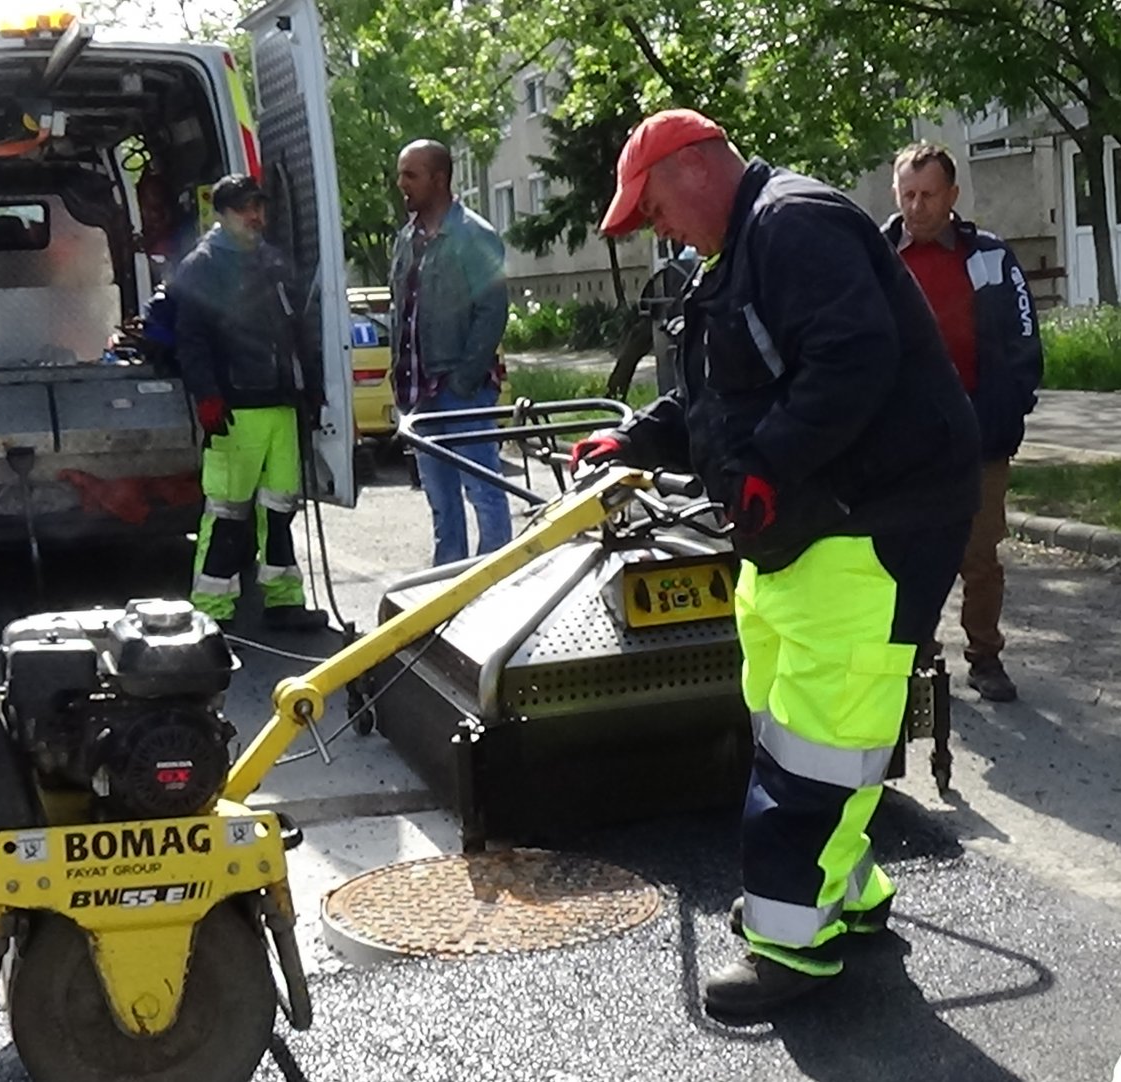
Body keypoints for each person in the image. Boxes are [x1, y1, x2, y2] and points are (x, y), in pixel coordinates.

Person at [571, 109, 979, 1014]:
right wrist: (640, 435)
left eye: (654, 210)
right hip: (807, 522)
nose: (656, 232)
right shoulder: (744, 251)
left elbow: (851, 359)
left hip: (871, 520)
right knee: (788, 719)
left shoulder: (794, 225)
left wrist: (768, 467)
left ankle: (791, 947)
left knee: (818, 743)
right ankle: (846, 888)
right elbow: (721, 395)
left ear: (693, 170)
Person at [883, 143, 1043, 703]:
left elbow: (1025, 341)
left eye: (929, 195)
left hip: (980, 436)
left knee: (979, 554)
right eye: (908, 194)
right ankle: (917, 657)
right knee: (905, 553)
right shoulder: (876, 258)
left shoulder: (991, 257)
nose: (918, 206)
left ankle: (986, 657)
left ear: (952, 197)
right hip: (902, 446)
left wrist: (1008, 409)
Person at [172, 173, 328, 631]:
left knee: (280, 510)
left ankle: (283, 602)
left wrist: (311, 388)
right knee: (226, 515)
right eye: (244, 208)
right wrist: (207, 397)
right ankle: (211, 612)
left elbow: (299, 332)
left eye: (258, 206)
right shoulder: (202, 266)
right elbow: (192, 341)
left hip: (281, 404)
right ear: (221, 214)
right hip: (235, 410)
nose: (255, 215)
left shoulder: (273, 263)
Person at [389, 138, 513, 566]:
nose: (400, 183)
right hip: (420, 393)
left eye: (411, 174)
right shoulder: (406, 240)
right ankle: (448, 580)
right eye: (400, 173)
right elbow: (400, 311)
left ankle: (496, 579)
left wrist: (463, 380)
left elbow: (492, 310)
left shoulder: (473, 236)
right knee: (440, 497)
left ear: (438, 179)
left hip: (462, 391)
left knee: (483, 489)